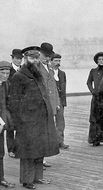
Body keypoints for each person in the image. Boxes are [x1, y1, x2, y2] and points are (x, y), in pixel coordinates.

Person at [8, 46, 59, 189]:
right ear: (25, 59)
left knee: (40, 149)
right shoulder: (19, 76)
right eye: (32, 58)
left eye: (37, 58)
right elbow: (14, 101)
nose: (35, 60)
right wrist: (19, 121)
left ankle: (38, 177)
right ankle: (27, 180)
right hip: (27, 121)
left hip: (41, 119)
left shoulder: (38, 74)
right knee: (28, 152)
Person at [86, 52, 103, 146]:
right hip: (96, 98)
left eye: (102, 59)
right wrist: (92, 91)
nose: (101, 61)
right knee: (94, 118)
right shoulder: (93, 71)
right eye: (99, 60)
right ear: (97, 61)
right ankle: (95, 139)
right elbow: (88, 82)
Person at [0, 61, 15, 188]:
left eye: (7, 73)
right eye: (2, 73)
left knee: (0, 152)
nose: (5, 75)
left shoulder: (6, 85)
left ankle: (1, 178)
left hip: (2, 124)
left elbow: (8, 104)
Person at [6, 49, 23, 159]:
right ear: (12, 58)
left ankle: (18, 148)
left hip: (21, 103)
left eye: (21, 59)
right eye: (17, 58)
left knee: (20, 126)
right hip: (10, 102)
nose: (19, 60)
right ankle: (11, 149)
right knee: (10, 127)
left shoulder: (23, 70)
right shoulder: (8, 70)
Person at [50, 53, 69, 149]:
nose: (58, 63)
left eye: (59, 61)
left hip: (60, 101)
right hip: (50, 101)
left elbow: (63, 89)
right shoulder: (47, 72)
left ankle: (60, 141)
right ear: (51, 61)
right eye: (56, 60)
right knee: (49, 122)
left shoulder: (62, 73)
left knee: (60, 122)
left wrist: (63, 102)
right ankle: (50, 143)